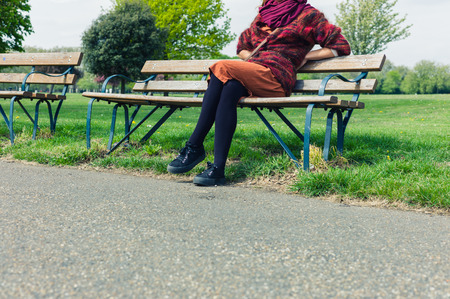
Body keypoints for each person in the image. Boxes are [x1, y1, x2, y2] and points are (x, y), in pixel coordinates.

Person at [167, 0, 351, 186]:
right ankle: (218, 169)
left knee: (219, 67)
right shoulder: (264, 15)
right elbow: (242, 48)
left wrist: (303, 57)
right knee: (229, 88)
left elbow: (341, 45)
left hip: (277, 77)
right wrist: (255, 60)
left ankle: (194, 147)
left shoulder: (308, 15)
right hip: (253, 73)